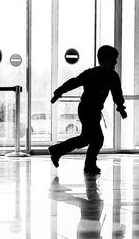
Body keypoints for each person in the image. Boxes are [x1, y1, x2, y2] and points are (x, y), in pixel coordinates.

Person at [49, 45, 127, 174]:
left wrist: (121, 107)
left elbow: (117, 93)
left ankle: (57, 150)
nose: (115, 62)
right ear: (104, 60)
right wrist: (59, 92)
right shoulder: (92, 73)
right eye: (113, 59)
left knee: (86, 139)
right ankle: (89, 165)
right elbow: (74, 82)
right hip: (86, 109)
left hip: (95, 111)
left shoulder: (113, 76)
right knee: (97, 139)